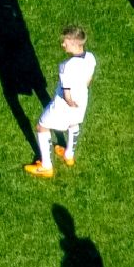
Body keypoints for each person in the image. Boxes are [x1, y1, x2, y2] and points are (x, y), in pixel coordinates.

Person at [25, 26, 96, 177]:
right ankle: (69, 156)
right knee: (73, 123)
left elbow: (67, 94)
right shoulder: (91, 57)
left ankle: (46, 167)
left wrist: (70, 103)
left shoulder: (66, 66)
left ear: (74, 42)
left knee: (41, 127)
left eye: (65, 42)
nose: (63, 45)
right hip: (82, 99)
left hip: (64, 104)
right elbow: (88, 81)